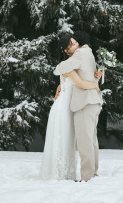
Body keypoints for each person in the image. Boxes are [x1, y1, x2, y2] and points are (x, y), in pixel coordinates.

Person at [39, 32, 100, 181]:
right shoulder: (88, 53)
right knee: (91, 140)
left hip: (85, 102)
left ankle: (87, 177)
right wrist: (61, 84)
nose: (76, 45)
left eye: (74, 42)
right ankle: (92, 174)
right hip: (89, 101)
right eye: (72, 44)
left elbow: (59, 69)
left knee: (86, 142)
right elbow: (84, 74)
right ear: (66, 51)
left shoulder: (78, 55)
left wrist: (94, 85)